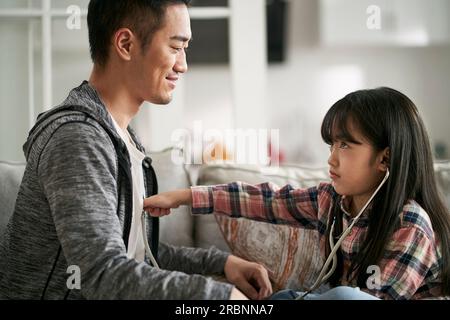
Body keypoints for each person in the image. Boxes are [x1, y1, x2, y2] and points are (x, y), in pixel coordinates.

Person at [0, 0, 273, 300]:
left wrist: (222, 263)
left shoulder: (124, 141)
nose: (183, 65)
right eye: (175, 46)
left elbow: (135, 252)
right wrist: (222, 298)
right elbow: (103, 274)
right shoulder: (77, 139)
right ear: (126, 44)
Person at [144, 87, 450, 300]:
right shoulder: (331, 201)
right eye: (331, 145)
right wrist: (183, 196)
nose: (332, 158)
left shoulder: (411, 224)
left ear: (384, 159)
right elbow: (266, 201)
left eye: (345, 145)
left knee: (341, 297)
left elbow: (373, 298)